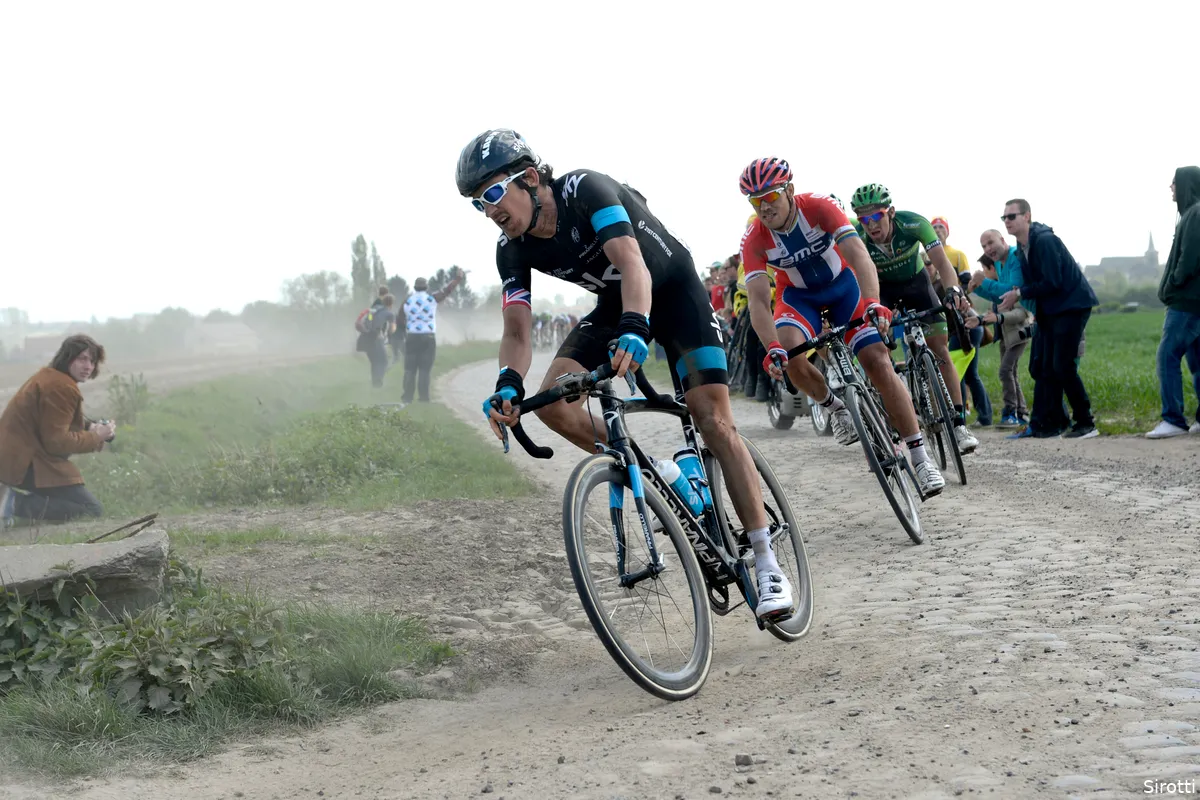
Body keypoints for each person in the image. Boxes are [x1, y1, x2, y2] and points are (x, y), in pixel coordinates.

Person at [457, 129, 795, 622]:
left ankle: (766, 561)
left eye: (491, 194)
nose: (490, 210)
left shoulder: (584, 190)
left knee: (712, 420)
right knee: (553, 402)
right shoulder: (511, 249)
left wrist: (637, 326)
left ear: (529, 178)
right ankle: (664, 473)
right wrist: (508, 382)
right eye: (477, 203)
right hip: (617, 303)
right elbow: (516, 330)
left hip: (672, 289)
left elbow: (631, 261)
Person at [739, 159, 946, 497]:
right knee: (790, 353)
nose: (763, 208)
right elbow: (759, 302)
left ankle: (920, 458)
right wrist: (771, 346)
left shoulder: (819, 207)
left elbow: (860, 256)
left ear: (789, 191)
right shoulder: (754, 239)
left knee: (877, 361)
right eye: (754, 201)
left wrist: (874, 302)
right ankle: (835, 407)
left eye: (770, 198)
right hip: (798, 298)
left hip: (844, 287)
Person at [849, 184, 980, 455]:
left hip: (918, 285)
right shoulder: (858, 236)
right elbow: (854, 276)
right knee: (877, 355)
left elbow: (942, 264)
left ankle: (958, 424)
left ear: (892, 213)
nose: (870, 224)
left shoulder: (914, 224)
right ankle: (891, 422)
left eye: (876, 216)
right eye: (864, 219)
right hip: (882, 290)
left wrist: (953, 289)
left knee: (939, 348)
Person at [998, 199, 1099, 439]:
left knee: (1062, 366)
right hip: (1052, 310)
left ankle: (1086, 422)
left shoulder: (1044, 241)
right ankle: (1054, 422)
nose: (1007, 222)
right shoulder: (1022, 247)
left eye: (1012, 216)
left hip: (1072, 306)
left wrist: (1020, 294)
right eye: (1004, 218)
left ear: (1027, 216)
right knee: (1043, 366)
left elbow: (1052, 282)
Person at [0, 335, 113, 525]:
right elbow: (57, 442)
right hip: (23, 462)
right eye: (82, 359)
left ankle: (10, 501)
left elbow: (53, 421)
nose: (88, 366)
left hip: (15, 457)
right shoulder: (61, 387)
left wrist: (90, 427)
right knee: (91, 509)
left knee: (78, 502)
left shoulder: (51, 377)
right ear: (67, 358)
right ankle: (9, 502)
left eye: (92, 361)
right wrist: (95, 436)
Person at [1147, 166, 1200, 438]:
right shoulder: (1192, 214)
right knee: (1197, 360)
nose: (1171, 188)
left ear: (1186, 184)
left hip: (1186, 302)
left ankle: (1173, 420)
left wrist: (1173, 283)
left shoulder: (1195, 214)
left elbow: (1190, 257)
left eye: (1174, 183)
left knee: (1167, 356)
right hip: (1194, 301)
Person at [970, 230, 1034, 427]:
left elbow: (1013, 292)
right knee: (1010, 372)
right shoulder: (999, 262)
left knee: (1006, 371)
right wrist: (978, 288)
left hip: (1020, 327)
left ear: (1003, 240)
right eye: (984, 246)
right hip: (1007, 332)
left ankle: (1011, 412)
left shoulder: (1014, 256)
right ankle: (1021, 412)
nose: (988, 249)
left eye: (991, 243)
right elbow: (1001, 299)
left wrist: (986, 282)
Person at [402, 269, 463, 403]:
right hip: (428, 337)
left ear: (414, 287)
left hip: (411, 336)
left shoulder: (407, 301)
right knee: (424, 369)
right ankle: (424, 398)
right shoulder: (432, 298)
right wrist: (457, 279)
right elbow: (447, 290)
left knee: (410, 369)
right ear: (426, 287)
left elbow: (400, 319)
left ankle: (407, 397)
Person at [361, 294, 396, 388]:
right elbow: (392, 328)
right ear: (391, 304)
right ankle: (378, 381)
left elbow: (368, 320)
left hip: (367, 336)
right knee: (383, 361)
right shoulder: (389, 313)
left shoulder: (373, 309)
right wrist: (391, 336)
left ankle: (374, 383)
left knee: (375, 361)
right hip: (377, 338)